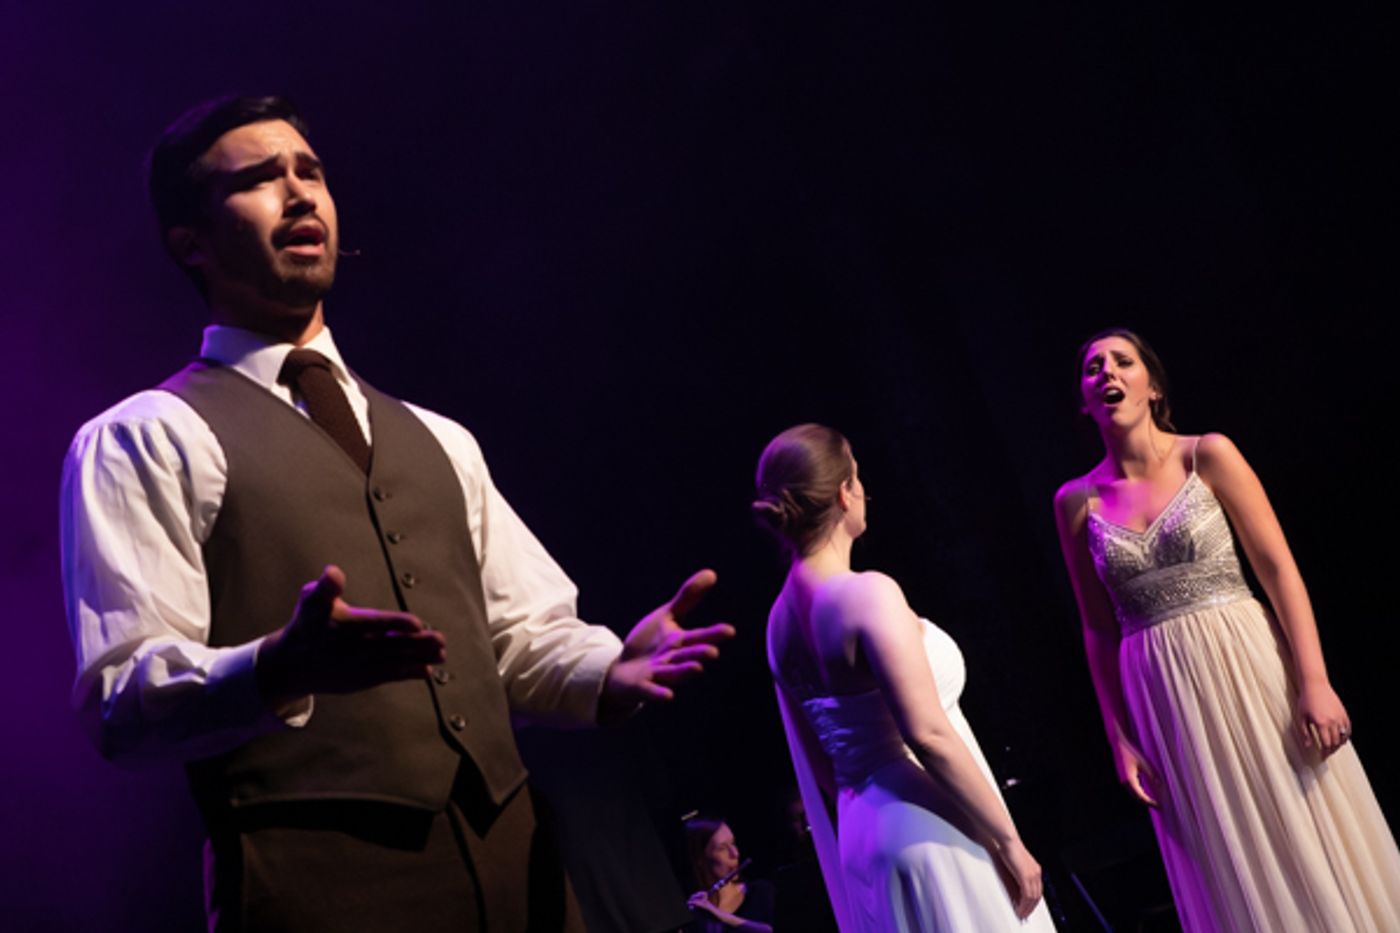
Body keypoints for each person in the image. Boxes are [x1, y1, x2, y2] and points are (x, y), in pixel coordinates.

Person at [59, 95, 733, 933]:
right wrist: (277, 664)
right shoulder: (142, 437)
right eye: (262, 179)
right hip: (319, 887)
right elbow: (123, 696)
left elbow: (520, 637)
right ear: (189, 241)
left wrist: (609, 670)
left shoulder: (439, 438)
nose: (301, 193)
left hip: (519, 872)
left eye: (311, 171)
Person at [1052, 328, 1400, 932]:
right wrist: (1119, 737)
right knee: (1224, 847)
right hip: (1162, 693)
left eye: (1123, 362)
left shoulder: (1206, 454)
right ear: (1084, 400)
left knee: (1299, 817)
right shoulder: (1075, 501)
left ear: (1152, 386)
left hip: (1245, 659)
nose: (1106, 372)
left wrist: (1314, 680)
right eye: (1092, 368)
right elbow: (1096, 628)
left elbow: (1278, 569)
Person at [754, 424, 1055, 932]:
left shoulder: (777, 623)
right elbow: (929, 734)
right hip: (932, 824)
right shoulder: (866, 595)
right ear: (845, 492)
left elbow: (823, 769)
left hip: (865, 836)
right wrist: (1008, 841)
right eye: (858, 476)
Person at [682, 817, 774, 932]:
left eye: (733, 843)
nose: (735, 853)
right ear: (700, 859)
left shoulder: (761, 891)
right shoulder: (697, 913)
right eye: (722, 848)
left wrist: (720, 915)